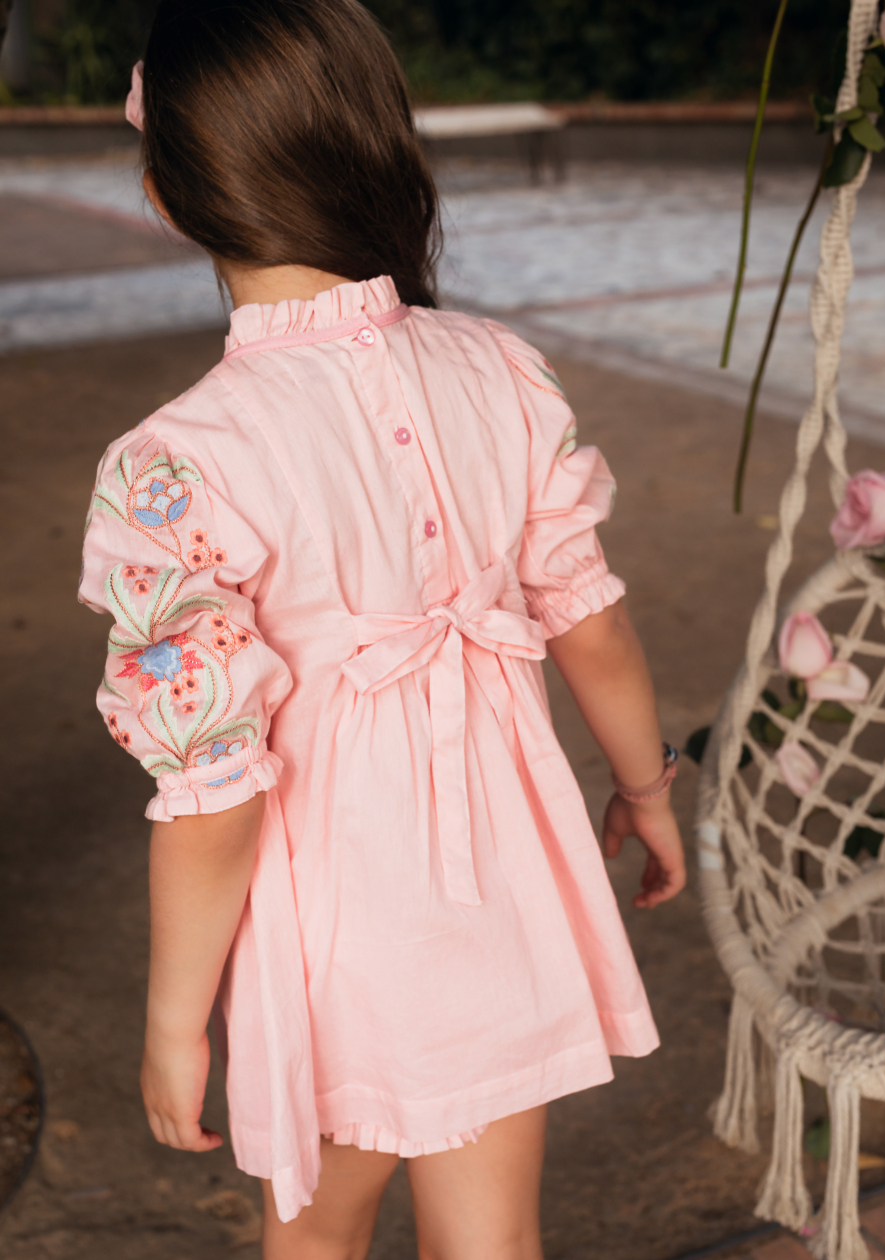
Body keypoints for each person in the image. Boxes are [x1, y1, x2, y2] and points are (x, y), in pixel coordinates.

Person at [78, 2, 686, 1256]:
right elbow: (591, 619)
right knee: (493, 1240)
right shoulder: (500, 367)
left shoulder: (174, 469)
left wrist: (175, 1018)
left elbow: (215, 790)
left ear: (169, 198)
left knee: (316, 1240)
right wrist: (647, 787)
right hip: (501, 893)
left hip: (337, 937)